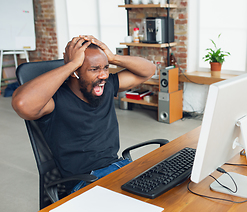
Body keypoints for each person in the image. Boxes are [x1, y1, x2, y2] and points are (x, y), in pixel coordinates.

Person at [12, 35, 156, 192]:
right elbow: (22, 104)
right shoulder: (55, 100)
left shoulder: (106, 86)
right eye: (94, 69)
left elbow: (149, 70)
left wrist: (113, 58)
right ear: (75, 72)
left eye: (105, 68)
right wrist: (72, 64)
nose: (103, 75)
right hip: (84, 181)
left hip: (119, 168)